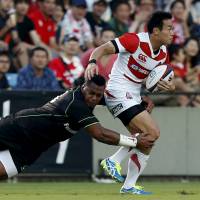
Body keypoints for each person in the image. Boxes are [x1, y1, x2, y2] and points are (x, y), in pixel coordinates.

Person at [85, 11, 175, 194]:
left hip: (133, 95)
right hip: (116, 91)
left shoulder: (163, 54)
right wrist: (92, 62)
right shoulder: (134, 41)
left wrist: (168, 87)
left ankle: (129, 185)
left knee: (146, 140)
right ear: (156, 31)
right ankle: (113, 161)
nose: (173, 32)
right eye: (169, 28)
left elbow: (151, 83)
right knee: (153, 132)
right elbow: (102, 49)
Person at [0, 75, 153, 179]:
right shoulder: (76, 104)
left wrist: (138, 102)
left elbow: (114, 99)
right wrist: (135, 142)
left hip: (33, 146)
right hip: (18, 128)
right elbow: (100, 134)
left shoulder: (91, 97)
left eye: (98, 95)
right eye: (91, 93)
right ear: (84, 87)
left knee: (4, 173)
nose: (93, 98)